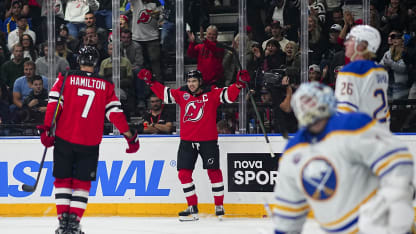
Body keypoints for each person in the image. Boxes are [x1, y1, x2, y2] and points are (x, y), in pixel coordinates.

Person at [272, 82, 414, 234]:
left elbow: (395, 159)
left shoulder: (351, 125)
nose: (311, 112)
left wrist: (396, 197)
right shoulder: (293, 152)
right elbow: (288, 210)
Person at [37, 46, 140, 234]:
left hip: (64, 138)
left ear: (79, 60)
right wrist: (129, 137)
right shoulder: (106, 86)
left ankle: (63, 224)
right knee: (82, 183)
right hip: (89, 142)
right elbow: (116, 115)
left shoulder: (66, 78)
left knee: (63, 180)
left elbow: (54, 106)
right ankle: (74, 223)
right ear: (96, 63)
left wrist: (47, 129)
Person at [137, 68, 250, 221]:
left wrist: (238, 84)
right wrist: (151, 82)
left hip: (208, 141)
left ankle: (219, 206)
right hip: (187, 141)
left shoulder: (212, 92)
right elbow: (165, 94)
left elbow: (228, 96)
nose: (190, 84)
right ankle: (192, 206)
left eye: (194, 81)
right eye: (189, 81)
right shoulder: (182, 93)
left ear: (200, 82)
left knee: (213, 172)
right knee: (183, 174)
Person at [335, 25, 390, 130]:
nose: (345, 43)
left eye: (350, 40)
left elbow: (345, 111)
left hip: (359, 136)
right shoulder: (381, 71)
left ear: (361, 45)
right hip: (380, 132)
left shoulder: (351, 71)